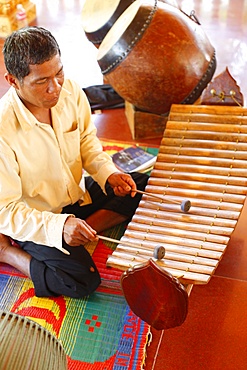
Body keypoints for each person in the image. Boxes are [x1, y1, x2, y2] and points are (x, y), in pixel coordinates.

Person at [0, 26, 148, 298]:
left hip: (76, 198)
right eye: (42, 81)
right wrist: (59, 227)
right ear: (13, 81)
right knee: (80, 280)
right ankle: (7, 252)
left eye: (58, 73)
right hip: (38, 219)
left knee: (141, 185)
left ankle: (84, 228)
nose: (55, 88)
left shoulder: (70, 92)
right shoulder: (2, 129)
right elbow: (6, 210)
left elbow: (87, 143)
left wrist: (107, 174)